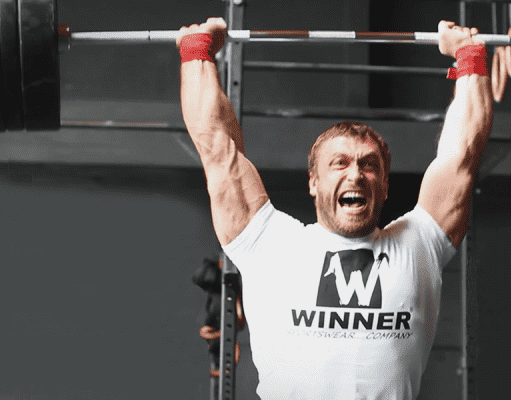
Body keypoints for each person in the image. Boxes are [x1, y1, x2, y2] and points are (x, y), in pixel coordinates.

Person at [177, 16, 493, 400]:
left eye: (369, 164)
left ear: (385, 183)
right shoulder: (271, 245)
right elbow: (216, 148)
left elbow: (463, 155)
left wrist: (469, 57)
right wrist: (197, 53)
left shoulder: (418, 245)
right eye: (339, 163)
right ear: (314, 182)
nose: (355, 175)